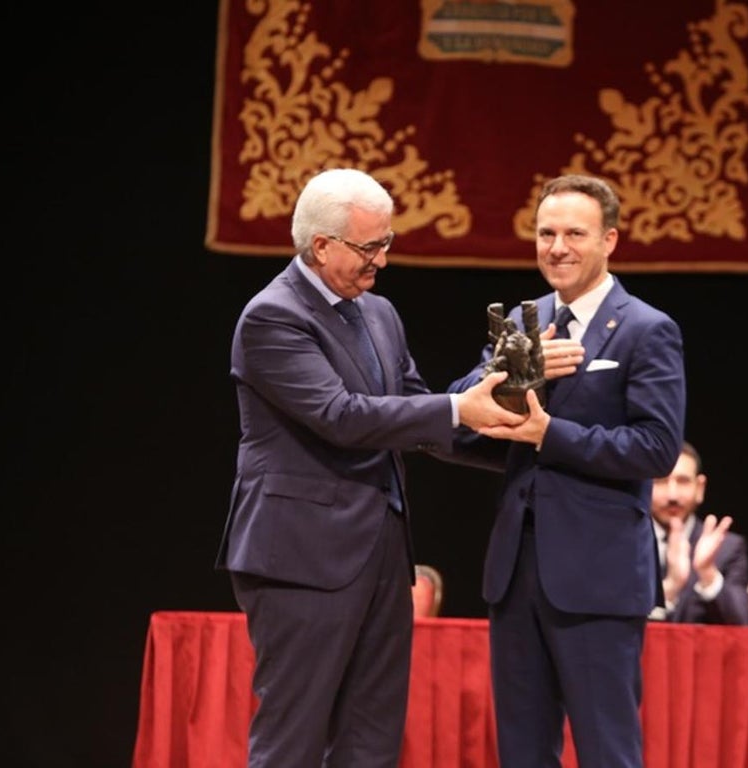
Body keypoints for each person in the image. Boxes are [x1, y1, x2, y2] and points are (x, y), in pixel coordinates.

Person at [215, 167, 525, 767]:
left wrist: (515, 441)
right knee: (293, 737)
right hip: (301, 556)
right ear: (321, 244)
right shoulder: (272, 317)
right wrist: (461, 405)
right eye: (369, 246)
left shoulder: (378, 314)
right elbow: (342, 416)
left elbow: (412, 414)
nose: (381, 260)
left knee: (372, 737)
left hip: (382, 549)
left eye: (386, 243)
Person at [448, 173, 686, 767]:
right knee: (523, 755)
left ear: (609, 240)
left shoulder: (645, 329)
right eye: (546, 232)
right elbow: (457, 416)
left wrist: (549, 434)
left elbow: (656, 448)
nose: (557, 247)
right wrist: (499, 374)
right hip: (515, 572)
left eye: (574, 233)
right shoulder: (527, 326)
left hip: (597, 577)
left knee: (608, 752)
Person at [649, 442, 748, 625]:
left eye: (683, 481)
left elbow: (741, 624)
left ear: (700, 488)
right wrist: (671, 588)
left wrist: (708, 573)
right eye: (661, 481)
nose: (672, 495)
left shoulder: (728, 548)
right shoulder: (625, 546)